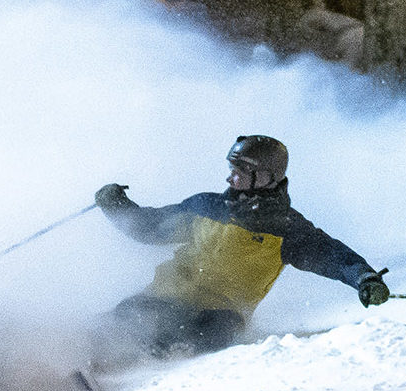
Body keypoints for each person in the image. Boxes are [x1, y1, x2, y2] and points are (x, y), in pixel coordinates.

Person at [93, 135, 389, 360]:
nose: (230, 179)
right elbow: (149, 227)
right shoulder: (207, 206)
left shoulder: (286, 230)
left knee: (199, 336)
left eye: (240, 173)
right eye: (232, 170)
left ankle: (155, 376)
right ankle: (81, 361)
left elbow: (331, 255)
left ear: (264, 178)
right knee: (125, 320)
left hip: (219, 314)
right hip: (166, 295)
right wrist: (117, 206)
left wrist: (364, 278)